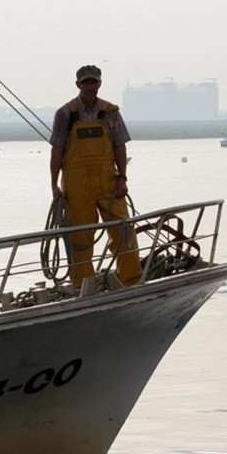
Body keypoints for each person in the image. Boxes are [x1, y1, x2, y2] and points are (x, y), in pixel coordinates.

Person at [49, 65, 142, 289]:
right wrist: (54, 185)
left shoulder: (111, 112)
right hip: (76, 185)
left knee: (124, 231)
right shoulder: (65, 113)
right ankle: (84, 287)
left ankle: (132, 281)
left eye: (93, 82)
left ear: (99, 83)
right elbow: (57, 151)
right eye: (85, 83)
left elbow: (120, 146)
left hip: (108, 182)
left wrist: (122, 178)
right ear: (78, 85)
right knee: (80, 238)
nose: (89, 87)